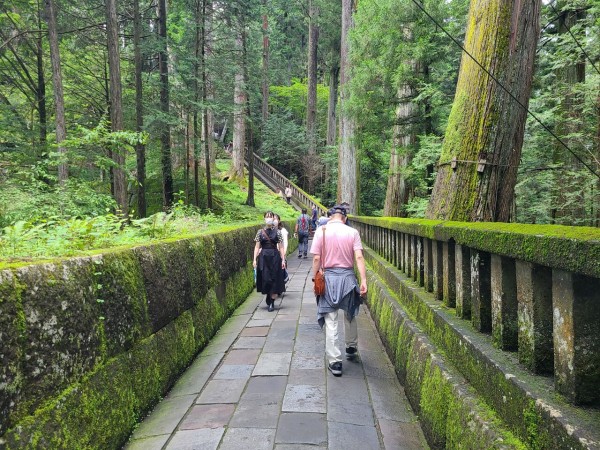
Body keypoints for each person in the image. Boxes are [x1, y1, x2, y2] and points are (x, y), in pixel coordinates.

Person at [310, 204, 367, 377]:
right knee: (350, 313)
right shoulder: (352, 232)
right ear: (345, 218)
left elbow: (317, 258)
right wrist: (363, 280)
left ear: (330, 216)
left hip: (329, 278)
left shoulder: (322, 230)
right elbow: (358, 256)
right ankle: (351, 346)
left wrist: (315, 278)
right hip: (348, 278)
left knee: (330, 318)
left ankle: (335, 362)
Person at [253, 211, 286, 312]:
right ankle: (268, 294)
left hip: (275, 257)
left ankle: (272, 301)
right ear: (264, 219)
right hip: (263, 257)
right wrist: (254, 259)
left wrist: (283, 259)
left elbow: (281, 247)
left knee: (274, 278)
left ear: (273, 218)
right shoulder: (260, 232)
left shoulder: (278, 232)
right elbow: (257, 246)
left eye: (270, 217)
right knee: (266, 278)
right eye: (267, 217)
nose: (269, 219)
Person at [274, 213, 289, 284]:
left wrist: (284, 253)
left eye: (275, 219)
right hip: (273, 253)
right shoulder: (269, 230)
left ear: (279, 221)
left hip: (280, 252)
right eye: (273, 219)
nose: (274, 220)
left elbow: (285, 242)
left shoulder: (283, 231)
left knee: (280, 270)